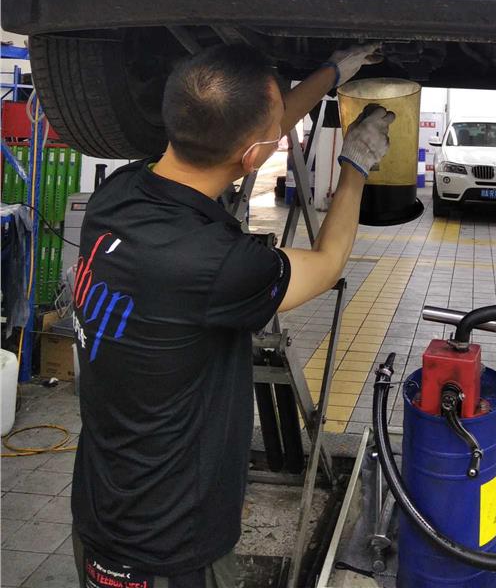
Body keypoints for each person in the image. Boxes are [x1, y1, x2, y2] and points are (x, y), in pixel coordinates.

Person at [69, 42, 392, 588]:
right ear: (252, 157)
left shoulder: (117, 196)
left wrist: (332, 72)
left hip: (99, 514)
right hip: (170, 554)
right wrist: (355, 165)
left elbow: (250, 132)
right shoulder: (220, 266)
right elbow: (329, 262)